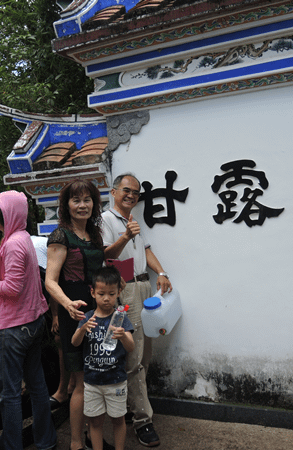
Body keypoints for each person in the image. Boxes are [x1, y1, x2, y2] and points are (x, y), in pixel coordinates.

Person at [0, 191, 57, 450]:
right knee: (37, 386)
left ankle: (11, 445)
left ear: (13, 213)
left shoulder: (13, 244)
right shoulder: (21, 238)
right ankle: (46, 441)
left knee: (9, 395)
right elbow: (15, 276)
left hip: (13, 328)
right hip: (32, 323)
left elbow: (13, 288)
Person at [102, 173, 173, 447]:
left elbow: (146, 250)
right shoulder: (106, 220)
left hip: (143, 287)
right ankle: (142, 421)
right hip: (125, 289)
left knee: (145, 353)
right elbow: (105, 255)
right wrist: (124, 237)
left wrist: (162, 272)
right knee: (133, 358)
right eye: (126, 190)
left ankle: (133, 409)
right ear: (114, 191)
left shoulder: (132, 220)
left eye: (136, 192)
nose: (131, 195)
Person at [45, 179, 106, 450]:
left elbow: (99, 268)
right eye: (76, 200)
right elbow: (50, 281)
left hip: (99, 308)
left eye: (87, 200)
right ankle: (75, 443)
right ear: (66, 205)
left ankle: (95, 438)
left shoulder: (95, 234)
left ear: (94, 203)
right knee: (81, 381)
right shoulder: (61, 236)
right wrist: (67, 305)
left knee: (98, 377)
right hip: (76, 311)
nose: (82, 205)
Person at [72, 266, 135, 450]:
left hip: (115, 381)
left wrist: (123, 335)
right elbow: (75, 342)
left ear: (119, 292)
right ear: (92, 292)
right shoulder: (88, 318)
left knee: (118, 420)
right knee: (95, 422)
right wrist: (82, 329)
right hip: (92, 382)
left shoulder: (120, 318)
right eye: (101, 293)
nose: (106, 298)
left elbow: (130, 347)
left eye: (111, 293)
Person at [31, 234, 76, 410]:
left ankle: (65, 389)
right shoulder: (24, 246)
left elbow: (53, 284)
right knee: (59, 340)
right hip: (56, 296)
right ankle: (66, 388)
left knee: (60, 339)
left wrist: (56, 316)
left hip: (66, 294)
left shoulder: (36, 251)